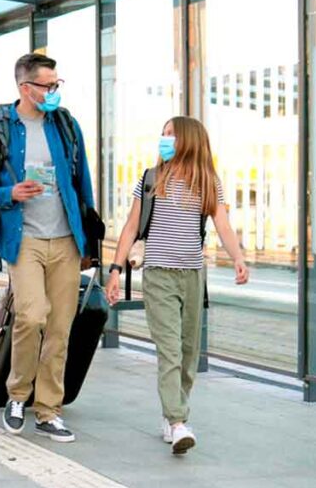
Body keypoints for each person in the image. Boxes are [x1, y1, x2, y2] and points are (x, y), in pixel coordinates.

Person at [106, 116, 249, 455]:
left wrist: (238, 258)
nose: (164, 138)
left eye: (170, 133)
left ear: (188, 139)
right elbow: (130, 227)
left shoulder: (208, 182)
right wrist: (115, 270)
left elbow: (223, 225)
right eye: (163, 133)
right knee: (169, 349)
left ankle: (172, 413)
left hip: (193, 275)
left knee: (187, 352)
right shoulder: (152, 179)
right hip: (159, 275)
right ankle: (177, 420)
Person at [0, 53, 95, 443]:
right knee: (31, 315)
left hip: (66, 240)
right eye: (48, 85)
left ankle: (48, 410)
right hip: (23, 240)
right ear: (26, 88)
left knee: (60, 326)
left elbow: (83, 183)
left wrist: (89, 241)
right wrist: (10, 193)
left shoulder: (66, 125)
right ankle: (17, 395)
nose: (55, 91)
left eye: (57, 84)